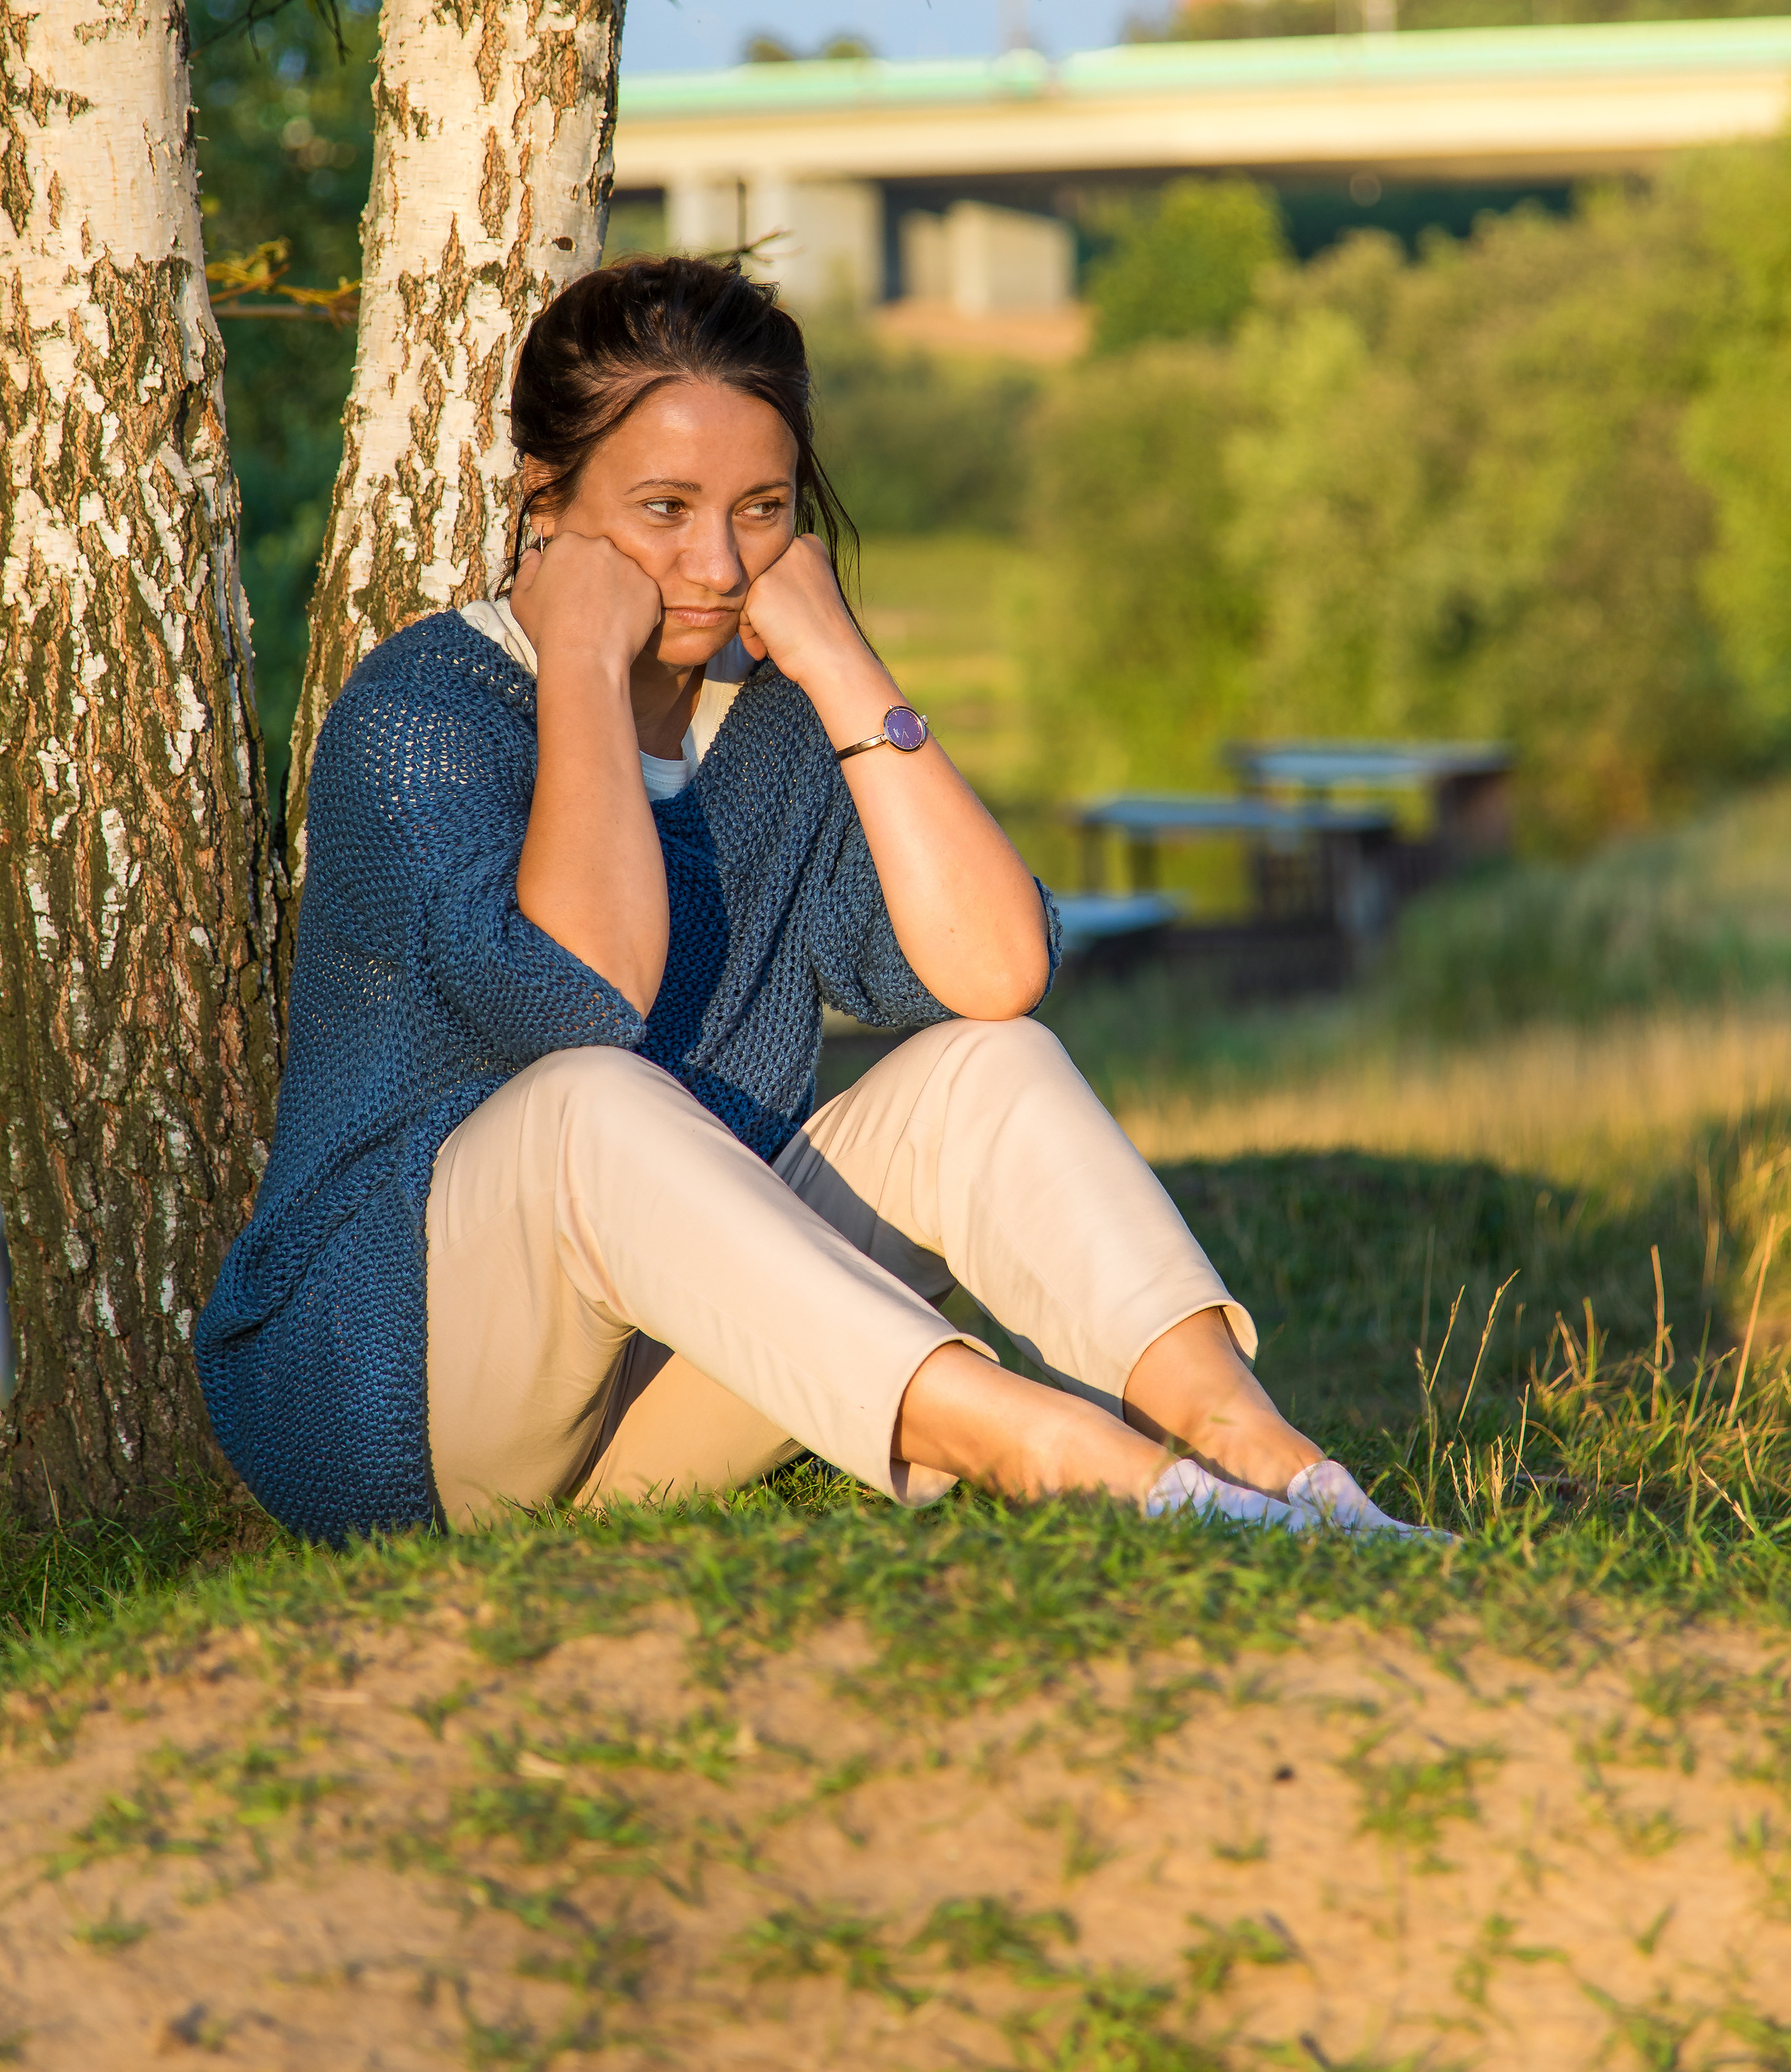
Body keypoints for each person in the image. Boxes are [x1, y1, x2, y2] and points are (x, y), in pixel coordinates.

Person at [196, 256, 1416, 1547]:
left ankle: (1277, 1474)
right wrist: (584, 665)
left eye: (762, 509)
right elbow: (581, 997)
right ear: (542, 502)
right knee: (592, 1103)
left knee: (990, 1074)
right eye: (664, 508)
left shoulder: (773, 729)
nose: (717, 564)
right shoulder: (422, 717)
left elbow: (997, 968)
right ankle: (1074, 1458)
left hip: (664, 1392)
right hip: (401, 1402)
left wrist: (838, 661)